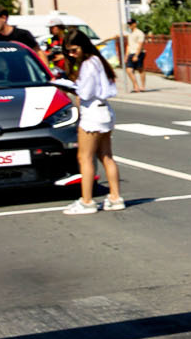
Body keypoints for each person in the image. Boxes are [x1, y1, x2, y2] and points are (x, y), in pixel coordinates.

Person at [62, 30, 124, 215]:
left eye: (74, 50)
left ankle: (87, 201)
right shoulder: (98, 60)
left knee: (85, 157)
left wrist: (71, 87)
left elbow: (86, 93)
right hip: (104, 111)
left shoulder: (88, 64)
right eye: (68, 51)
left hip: (92, 113)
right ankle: (115, 197)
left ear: (83, 46)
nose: (72, 54)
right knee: (106, 156)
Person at [123, 22, 147, 93]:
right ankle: (136, 86)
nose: (129, 26)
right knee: (129, 70)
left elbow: (140, 45)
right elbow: (129, 45)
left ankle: (142, 86)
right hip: (131, 53)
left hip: (139, 53)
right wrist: (126, 56)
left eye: (131, 24)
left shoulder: (139, 33)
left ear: (135, 24)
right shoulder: (130, 33)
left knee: (140, 69)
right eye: (128, 24)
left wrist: (136, 55)